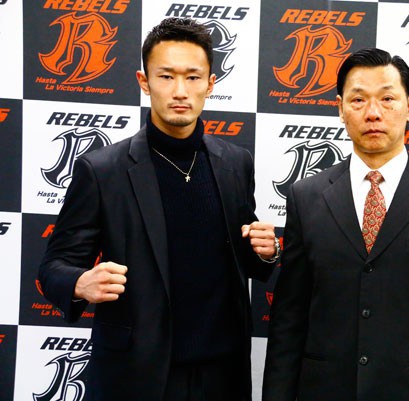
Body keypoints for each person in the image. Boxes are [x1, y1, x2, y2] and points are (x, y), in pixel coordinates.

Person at [39, 17, 279, 401]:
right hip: (137, 375)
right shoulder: (102, 171)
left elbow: (243, 256)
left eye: (193, 77)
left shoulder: (236, 162)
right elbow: (54, 267)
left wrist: (266, 252)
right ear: (144, 81)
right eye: (166, 76)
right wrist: (80, 283)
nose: (180, 91)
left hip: (223, 374)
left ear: (210, 84)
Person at [262, 48, 409, 401]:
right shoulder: (306, 197)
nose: (373, 113)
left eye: (387, 98)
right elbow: (289, 319)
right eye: (358, 100)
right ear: (340, 108)